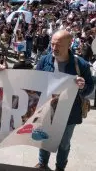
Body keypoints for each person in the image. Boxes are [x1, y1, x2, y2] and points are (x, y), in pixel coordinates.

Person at [35, 30, 94, 171]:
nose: (54, 48)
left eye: (59, 45)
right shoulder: (44, 60)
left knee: (64, 143)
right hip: (47, 109)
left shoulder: (81, 65)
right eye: (53, 44)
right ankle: (43, 163)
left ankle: (60, 167)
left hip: (69, 112)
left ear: (69, 44)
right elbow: (35, 81)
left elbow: (90, 87)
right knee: (44, 138)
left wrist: (82, 86)